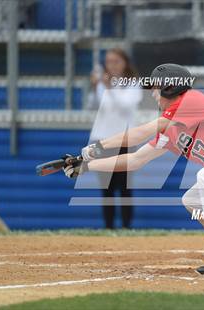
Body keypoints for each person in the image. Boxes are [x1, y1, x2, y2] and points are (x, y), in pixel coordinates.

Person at [64, 63, 204, 275]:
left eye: (155, 88)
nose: (153, 93)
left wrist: (97, 147)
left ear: (171, 87)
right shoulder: (171, 129)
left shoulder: (190, 100)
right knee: (193, 199)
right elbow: (135, 160)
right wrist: (87, 166)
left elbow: (142, 131)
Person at [86, 48, 142, 229]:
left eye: (116, 61)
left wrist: (109, 88)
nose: (112, 65)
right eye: (109, 62)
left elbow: (125, 106)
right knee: (106, 189)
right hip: (102, 140)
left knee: (124, 187)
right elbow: (92, 107)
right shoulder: (103, 84)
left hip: (124, 140)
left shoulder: (132, 83)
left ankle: (126, 228)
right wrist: (95, 87)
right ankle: (108, 228)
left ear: (125, 63)